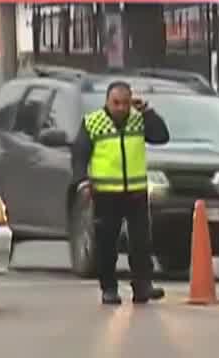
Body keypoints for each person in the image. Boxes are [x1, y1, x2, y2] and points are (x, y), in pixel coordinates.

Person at [73, 81, 171, 305]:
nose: (120, 108)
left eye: (125, 103)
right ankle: (109, 288)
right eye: (116, 103)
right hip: (106, 193)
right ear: (107, 101)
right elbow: (80, 154)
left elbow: (161, 136)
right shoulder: (93, 122)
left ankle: (142, 285)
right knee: (107, 243)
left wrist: (147, 110)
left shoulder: (139, 119)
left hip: (135, 192)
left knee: (141, 242)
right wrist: (81, 181)